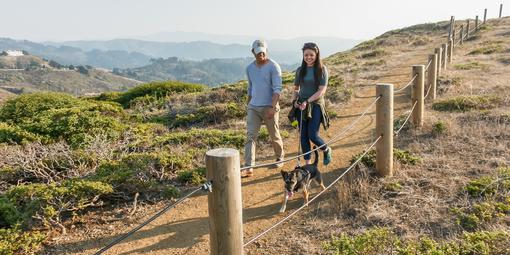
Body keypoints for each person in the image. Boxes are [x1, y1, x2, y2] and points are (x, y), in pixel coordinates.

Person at [242, 39, 285, 177]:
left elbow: (277, 89)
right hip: (253, 107)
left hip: (269, 106)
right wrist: (248, 104)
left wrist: (273, 107)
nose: (261, 54)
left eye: (263, 52)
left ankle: (280, 158)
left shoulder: (274, 66)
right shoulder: (249, 68)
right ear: (253, 52)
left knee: (274, 134)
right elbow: (250, 87)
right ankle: (249, 166)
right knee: (250, 136)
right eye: (258, 52)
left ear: (266, 50)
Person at [292, 42, 332, 166]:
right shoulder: (300, 70)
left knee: (312, 135)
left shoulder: (321, 69)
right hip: (301, 106)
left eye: (311, 55)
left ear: (317, 54)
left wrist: (307, 101)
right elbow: (296, 88)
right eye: (306, 55)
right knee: (303, 136)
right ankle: (308, 164)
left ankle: (326, 149)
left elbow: (321, 90)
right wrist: (294, 101)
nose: (308, 57)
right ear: (303, 55)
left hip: (315, 105)